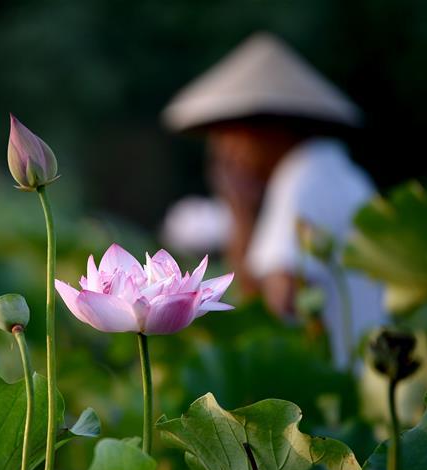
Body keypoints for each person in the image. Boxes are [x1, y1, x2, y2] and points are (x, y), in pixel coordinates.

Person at [162, 32, 383, 368]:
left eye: (228, 134)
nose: (222, 153)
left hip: (338, 388)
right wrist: (241, 212)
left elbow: (274, 314)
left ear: (268, 128)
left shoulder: (305, 179)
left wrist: (240, 215)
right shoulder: (335, 169)